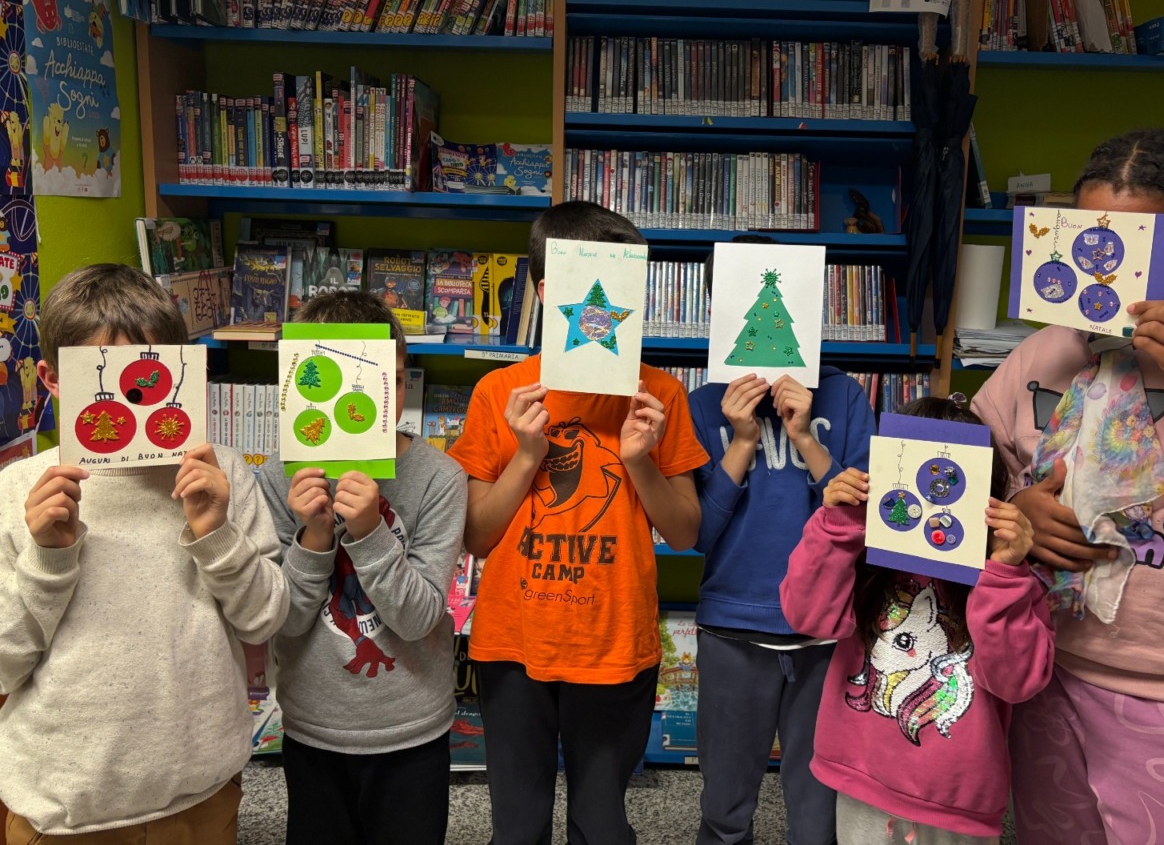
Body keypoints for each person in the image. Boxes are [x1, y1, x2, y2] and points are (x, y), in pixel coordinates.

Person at [972, 127, 1164, 841]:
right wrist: (1017, 510)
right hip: (1050, 678)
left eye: (1138, 245)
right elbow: (973, 474)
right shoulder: (1045, 349)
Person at [447, 201, 709, 845]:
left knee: (601, 821)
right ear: (546, 291)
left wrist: (639, 461)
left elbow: (684, 532)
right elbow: (476, 535)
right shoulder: (500, 394)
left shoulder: (660, 394)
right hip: (514, 644)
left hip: (614, 644)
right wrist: (527, 455)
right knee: (517, 822)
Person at [0, 263, 288, 844]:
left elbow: (265, 618)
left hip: (200, 790)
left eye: (153, 373)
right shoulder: (17, 492)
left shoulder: (223, 474)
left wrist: (215, 533)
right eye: (104, 376)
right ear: (53, 380)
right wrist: (48, 561)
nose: (133, 397)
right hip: (66, 804)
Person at [780, 396, 1054, 845]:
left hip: (956, 802)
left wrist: (1004, 573)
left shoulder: (1006, 580)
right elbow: (808, 617)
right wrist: (836, 525)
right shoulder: (866, 562)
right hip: (864, 782)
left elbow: (1017, 682)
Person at [258, 291, 467, 845]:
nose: (384, 397)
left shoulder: (438, 477)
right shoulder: (279, 476)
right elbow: (287, 619)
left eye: (394, 379)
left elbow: (421, 616)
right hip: (314, 726)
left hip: (412, 728)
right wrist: (317, 534)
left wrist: (372, 531)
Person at [689, 236, 875, 845]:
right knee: (724, 803)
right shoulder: (702, 406)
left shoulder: (844, 397)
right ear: (717, 310)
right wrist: (741, 441)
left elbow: (865, 523)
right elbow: (698, 535)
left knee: (818, 810)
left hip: (825, 631)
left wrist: (807, 440)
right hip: (733, 625)